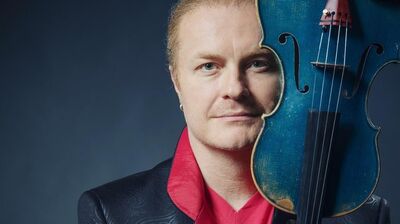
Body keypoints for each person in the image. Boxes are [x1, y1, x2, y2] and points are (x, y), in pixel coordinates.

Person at [78, 0, 390, 223]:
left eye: (258, 63)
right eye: (209, 66)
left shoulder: (362, 215)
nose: (235, 88)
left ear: (286, 75)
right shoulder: (111, 213)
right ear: (176, 82)